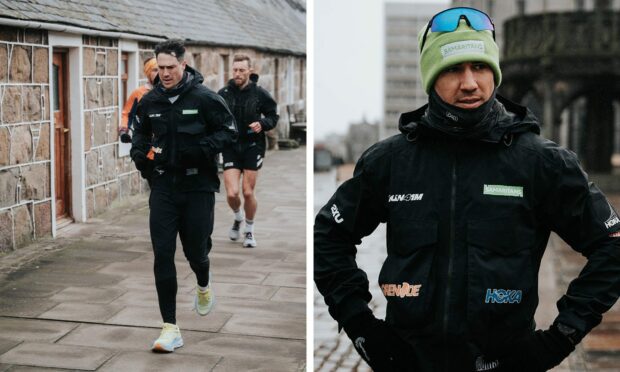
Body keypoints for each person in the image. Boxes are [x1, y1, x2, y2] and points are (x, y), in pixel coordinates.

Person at [314, 7, 620, 372]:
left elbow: (611, 246)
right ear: (431, 77)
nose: (470, 82)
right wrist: (361, 326)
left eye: (480, 67)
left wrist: (558, 339)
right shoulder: (390, 161)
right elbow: (329, 235)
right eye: (453, 69)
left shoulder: (542, 163)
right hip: (408, 362)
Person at [130, 39, 237, 353]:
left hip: (197, 188)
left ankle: (203, 283)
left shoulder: (205, 98)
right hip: (163, 187)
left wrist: (198, 151)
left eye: (170, 67)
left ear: (183, 64)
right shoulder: (150, 101)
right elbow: (138, 132)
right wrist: (142, 159)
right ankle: (170, 328)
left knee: (196, 253)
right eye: (159, 68)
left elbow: (229, 130)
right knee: (163, 254)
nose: (164, 73)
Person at [218, 54, 279, 248]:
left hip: (253, 146)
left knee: (247, 192)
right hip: (230, 146)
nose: (237, 73)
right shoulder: (223, 93)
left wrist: (262, 124)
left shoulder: (260, 93)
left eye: (241, 70)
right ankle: (238, 217)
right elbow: (213, 116)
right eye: (235, 70)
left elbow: (272, 115)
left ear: (249, 71)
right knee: (232, 193)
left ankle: (250, 230)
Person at [119, 57, 158, 143]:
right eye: (155, 70)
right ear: (148, 72)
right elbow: (127, 114)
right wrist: (123, 131)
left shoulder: (170, 92)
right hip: (143, 140)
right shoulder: (138, 92)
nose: (158, 73)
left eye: (160, 70)